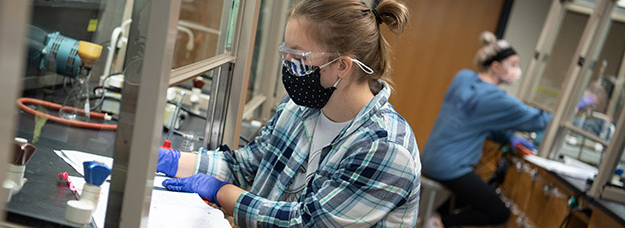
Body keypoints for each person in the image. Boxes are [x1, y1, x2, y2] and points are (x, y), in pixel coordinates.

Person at [155, 0, 421, 227]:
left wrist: (221, 192)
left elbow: (307, 222)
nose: (288, 67)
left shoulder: (386, 147)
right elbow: (246, 166)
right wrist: (168, 161)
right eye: (286, 55)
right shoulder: (298, 109)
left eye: (300, 58)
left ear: (342, 66)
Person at [420, 31, 551, 228]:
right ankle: (439, 223)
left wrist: (507, 136)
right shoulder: (497, 99)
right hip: (450, 168)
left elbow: (472, 120)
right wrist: (574, 108)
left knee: (478, 188)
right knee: (498, 212)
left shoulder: (463, 77)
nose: (518, 70)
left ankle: (436, 216)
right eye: (513, 65)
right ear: (496, 67)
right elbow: (540, 121)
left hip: (428, 158)